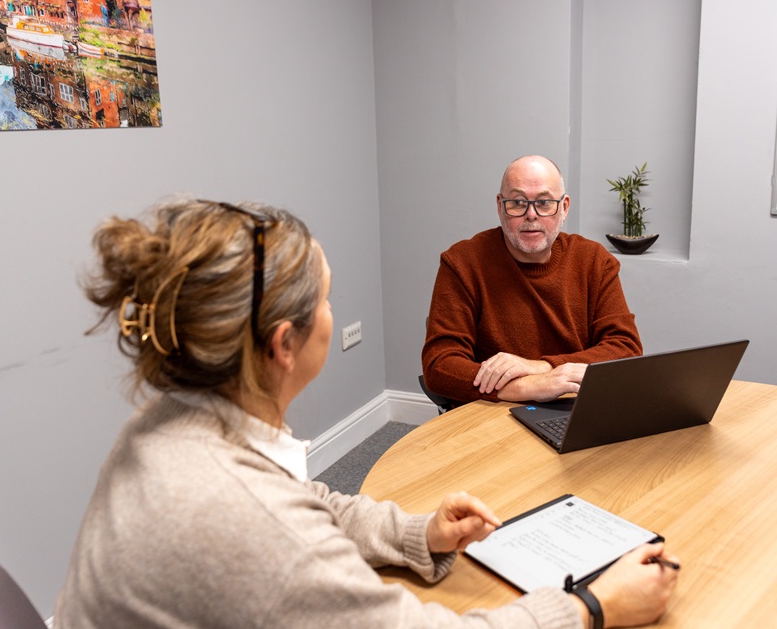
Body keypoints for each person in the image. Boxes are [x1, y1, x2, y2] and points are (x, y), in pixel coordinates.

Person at [55, 197, 679, 628]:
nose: (335, 313)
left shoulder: (165, 425)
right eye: (327, 299)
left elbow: (301, 500)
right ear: (285, 344)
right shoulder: (248, 524)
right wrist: (592, 606)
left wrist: (416, 533)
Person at [422, 155, 643, 406]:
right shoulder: (462, 262)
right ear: (500, 206)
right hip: (492, 409)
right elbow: (439, 365)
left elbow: (626, 349)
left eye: (544, 202)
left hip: (575, 405)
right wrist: (528, 386)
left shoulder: (594, 261)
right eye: (517, 202)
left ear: (564, 207)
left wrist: (542, 367)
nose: (531, 215)